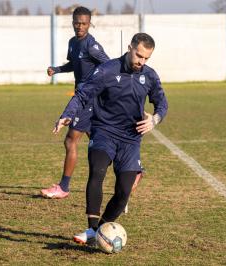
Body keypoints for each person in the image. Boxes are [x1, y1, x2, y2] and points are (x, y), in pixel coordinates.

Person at [53, 33, 168, 244]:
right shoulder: (106, 70)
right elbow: (81, 95)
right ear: (130, 47)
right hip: (104, 131)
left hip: (131, 139)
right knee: (97, 171)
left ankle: (101, 230)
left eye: (146, 59)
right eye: (139, 56)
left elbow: (162, 102)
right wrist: (66, 115)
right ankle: (91, 229)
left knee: (124, 191)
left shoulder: (149, 75)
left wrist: (155, 119)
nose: (141, 62)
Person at [41, 6, 110, 199]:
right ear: (72, 22)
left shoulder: (92, 45)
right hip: (82, 96)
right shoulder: (73, 43)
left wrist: (98, 85)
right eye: (77, 23)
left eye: (84, 23)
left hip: (88, 98)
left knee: (71, 140)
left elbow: (108, 65)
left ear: (89, 24)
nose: (80, 26)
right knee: (100, 140)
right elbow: (74, 64)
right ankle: (130, 169)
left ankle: (63, 187)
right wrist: (57, 69)